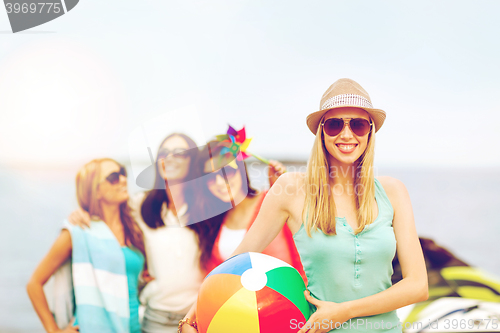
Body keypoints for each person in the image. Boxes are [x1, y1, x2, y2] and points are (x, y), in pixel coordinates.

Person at [180, 78, 428, 333]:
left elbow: (418, 285)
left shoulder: (393, 191)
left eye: (358, 124)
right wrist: (190, 319)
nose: (346, 134)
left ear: (370, 131)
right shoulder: (291, 190)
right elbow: (234, 263)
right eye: (333, 125)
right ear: (321, 131)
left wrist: (344, 311)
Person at [68, 133, 216, 333]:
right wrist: (80, 213)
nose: (169, 158)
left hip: (198, 317)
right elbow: (104, 208)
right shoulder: (140, 205)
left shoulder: (208, 208)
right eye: (164, 153)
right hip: (155, 319)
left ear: (192, 162)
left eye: (179, 153)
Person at [27, 158, 146, 333]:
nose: (122, 179)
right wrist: (53, 330)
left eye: (123, 173)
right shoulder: (79, 231)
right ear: (96, 191)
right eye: (113, 177)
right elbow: (34, 284)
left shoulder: (133, 228)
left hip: (134, 327)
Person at [195, 140, 306, 281]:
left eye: (226, 171)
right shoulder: (212, 223)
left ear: (241, 169)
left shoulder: (272, 200)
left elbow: (304, 257)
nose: (219, 181)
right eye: (210, 177)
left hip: (287, 300)